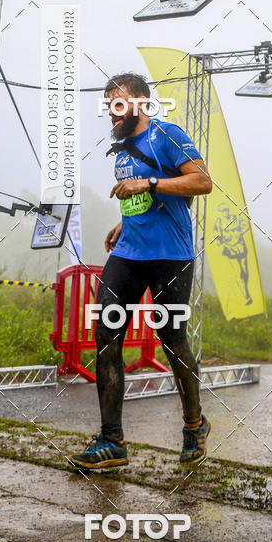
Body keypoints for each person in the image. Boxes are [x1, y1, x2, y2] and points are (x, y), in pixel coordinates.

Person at [70, 72, 212, 470]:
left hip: (170, 256)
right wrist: (123, 223)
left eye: (118, 102)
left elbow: (202, 182)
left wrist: (149, 183)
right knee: (106, 336)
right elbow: (138, 199)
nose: (111, 111)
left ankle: (194, 426)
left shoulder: (166, 134)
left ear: (141, 103)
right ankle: (112, 441)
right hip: (129, 254)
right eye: (107, 104)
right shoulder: (121, 148)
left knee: (171, 340)